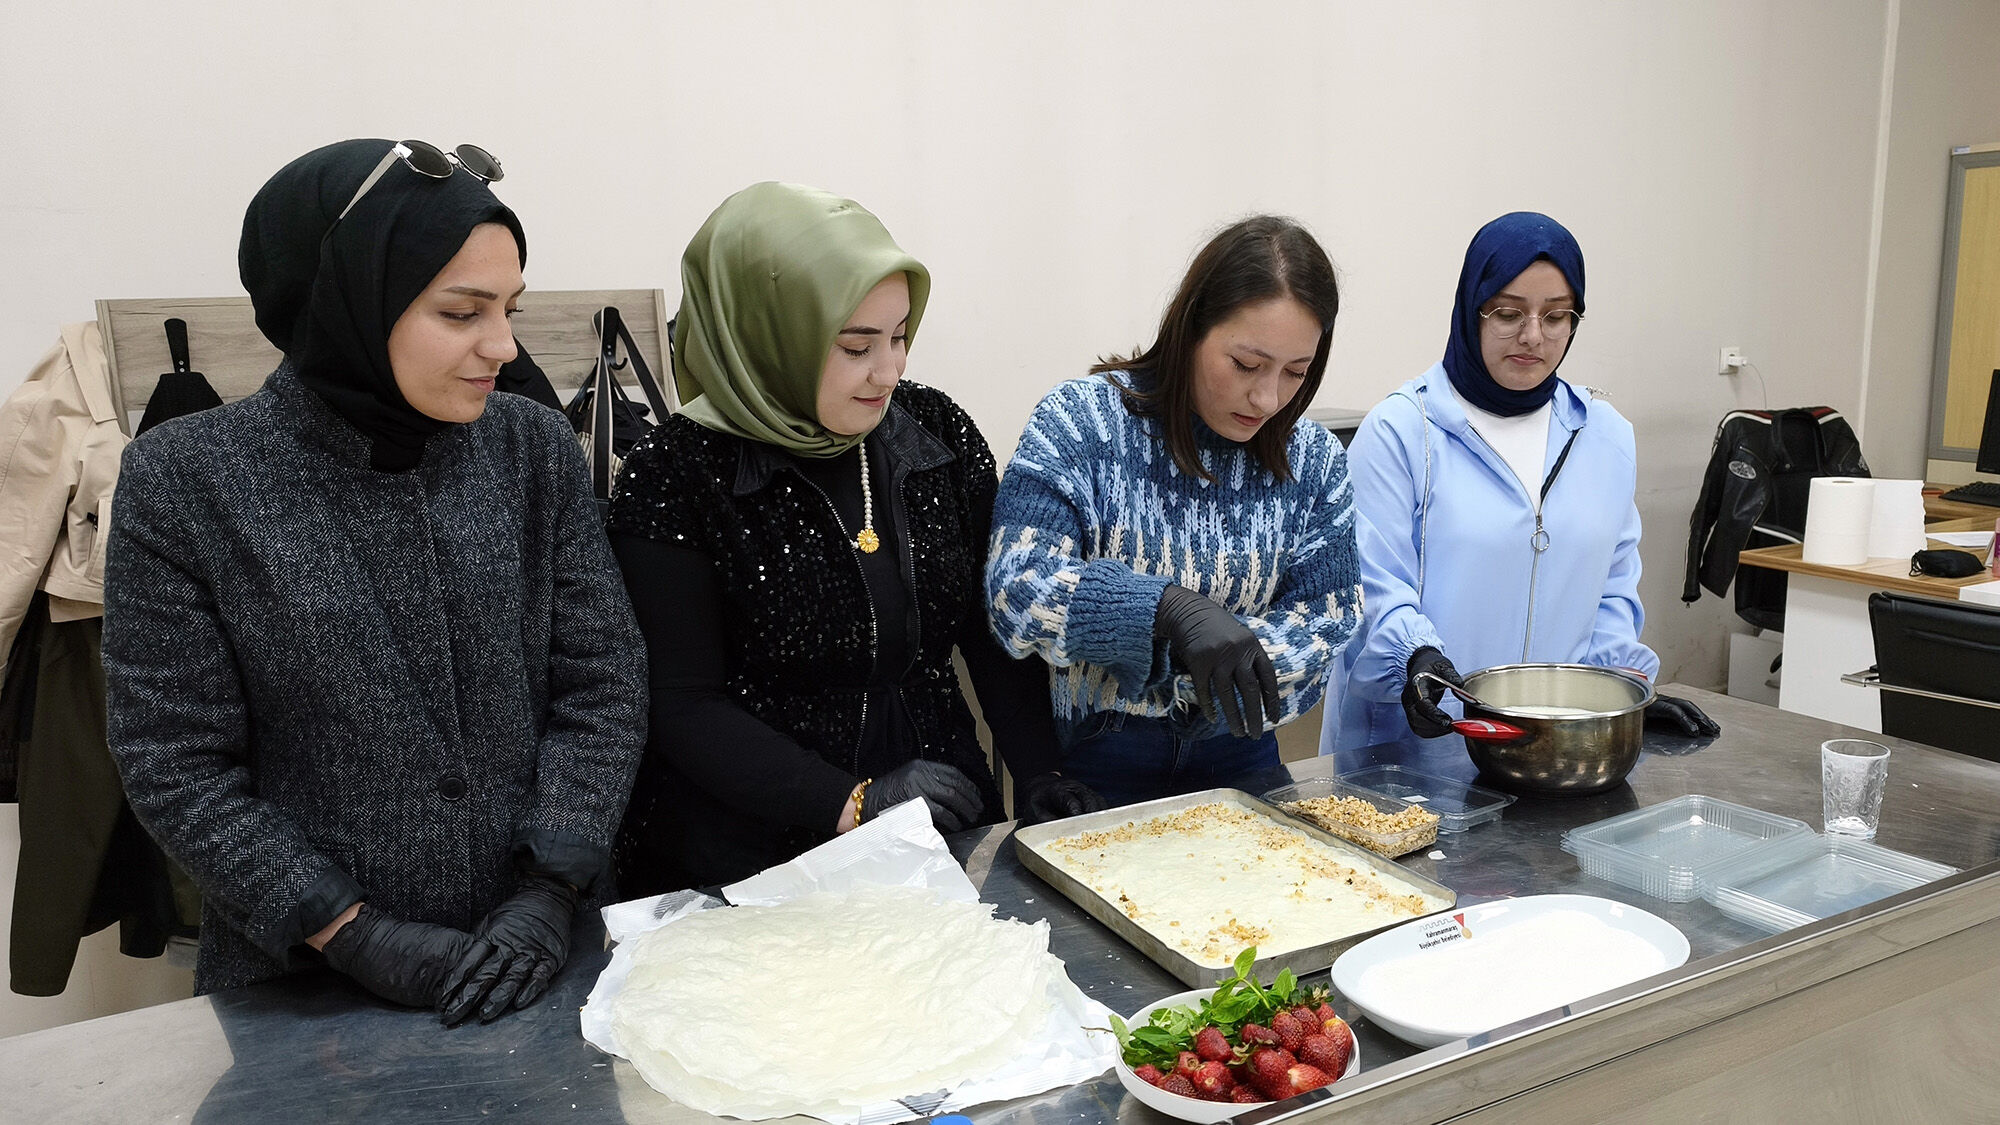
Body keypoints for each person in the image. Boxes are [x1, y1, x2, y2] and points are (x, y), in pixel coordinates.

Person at [102, 139, 648, 1023]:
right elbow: (175, 761)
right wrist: (349, 930)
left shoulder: (531, 447)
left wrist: (552, 885)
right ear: (345, 301)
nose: (503, 346)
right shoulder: (187, 481)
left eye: (509, 308)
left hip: (540, 961)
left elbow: (603, 679)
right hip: (307, 992)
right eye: (462, 312)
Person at [607, 182, 1099, 896]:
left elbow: (985, 630)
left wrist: (1039, 769)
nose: (889, 370)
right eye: (856, 346)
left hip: (939, 819)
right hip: (756, 851)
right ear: (769, 338)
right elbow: (682, 702)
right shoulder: (676, 472)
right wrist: (851, 800)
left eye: (899, 337)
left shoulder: (935, 434)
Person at [986, 216, 1363, 808]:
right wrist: (1165, 611)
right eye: (1246, 364)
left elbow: (1327, 617)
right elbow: (1017, 589)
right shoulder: (1082, 423)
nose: (1267, 397)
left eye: (1297, 371)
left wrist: (1212, 665)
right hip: (1102, 759)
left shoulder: (1313, 460)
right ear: (1190, 330)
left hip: (1243, 751)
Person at [1321, 211, 1719, 755]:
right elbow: (1368, 587)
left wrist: (1621, 691)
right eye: (1508, 313)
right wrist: (1414, 658)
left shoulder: (1602, 437)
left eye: (1556, 317)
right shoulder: (1403, 432)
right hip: (1413, 747)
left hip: (1549, 749)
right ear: (1471, 309)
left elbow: (1612, 590)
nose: (1533, 336)